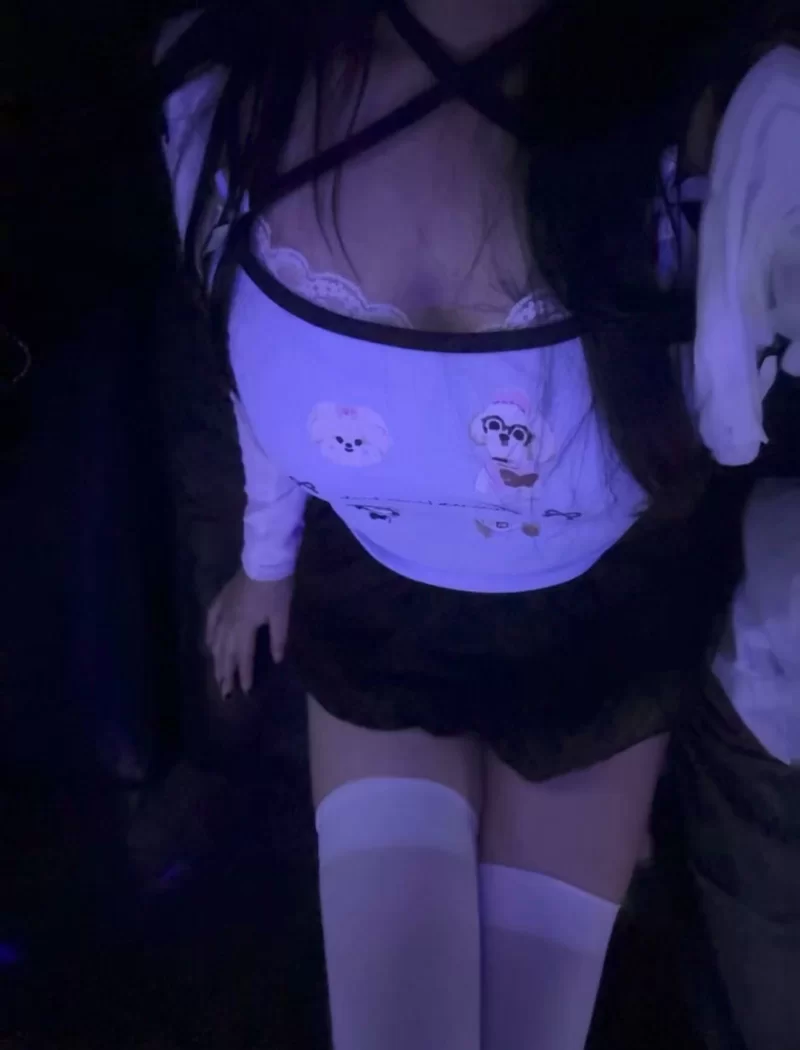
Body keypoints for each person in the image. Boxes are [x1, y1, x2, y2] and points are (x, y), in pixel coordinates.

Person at [156, 3, 790, 1047]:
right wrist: (264, 560)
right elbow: (251, 363)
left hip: (602, 642)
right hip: (377, 619)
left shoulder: (727, 112)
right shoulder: (223, 87)